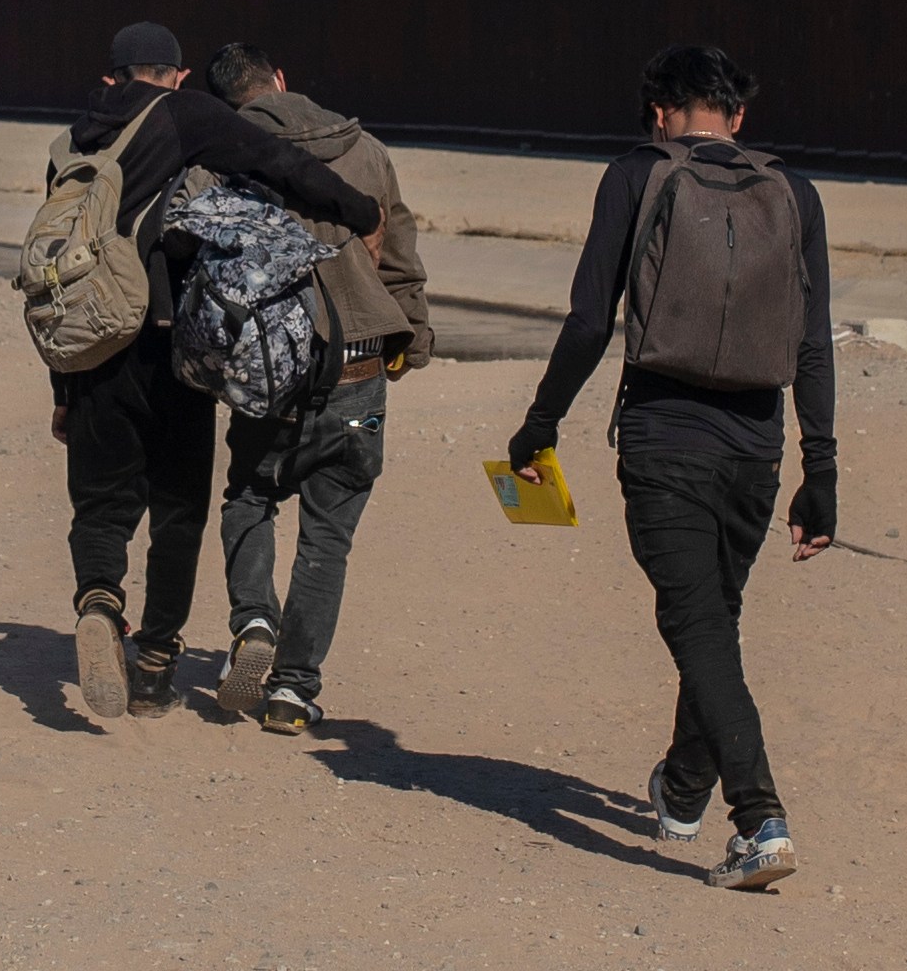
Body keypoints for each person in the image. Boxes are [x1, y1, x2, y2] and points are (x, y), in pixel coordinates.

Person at [505, 45, 837, 891]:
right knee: (711, 624)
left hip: (663, 443)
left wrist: (538, 424)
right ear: (737, 115)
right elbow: (810, 345)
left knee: (699, 631)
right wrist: (820, 469)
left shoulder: (634, 176)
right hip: (755, 455)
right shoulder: (794, 194)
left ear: (658, 112)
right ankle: (684, 787)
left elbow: (588, 321)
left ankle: (759, 819)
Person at [49, 22, 384, 721]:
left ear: (111, 75)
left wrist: (61, 390)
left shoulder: (72, 141)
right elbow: (275, 163)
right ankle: (153, 669)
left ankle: (99, 601)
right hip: (173, 349)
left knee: (101, 504)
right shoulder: (185, 114)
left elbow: (60, 270)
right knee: (177, 510)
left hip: (90, 348)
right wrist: (356, 210)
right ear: (174, 75)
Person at [200, 43, 433, 734]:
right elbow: (400, 255)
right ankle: (294, 691)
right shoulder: (366, 150)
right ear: (280, 79)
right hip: (359, 386)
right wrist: (411, 340)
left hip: (271, 384)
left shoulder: (223, 157)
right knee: (329, 532)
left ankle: (253, 622)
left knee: (249, 495)